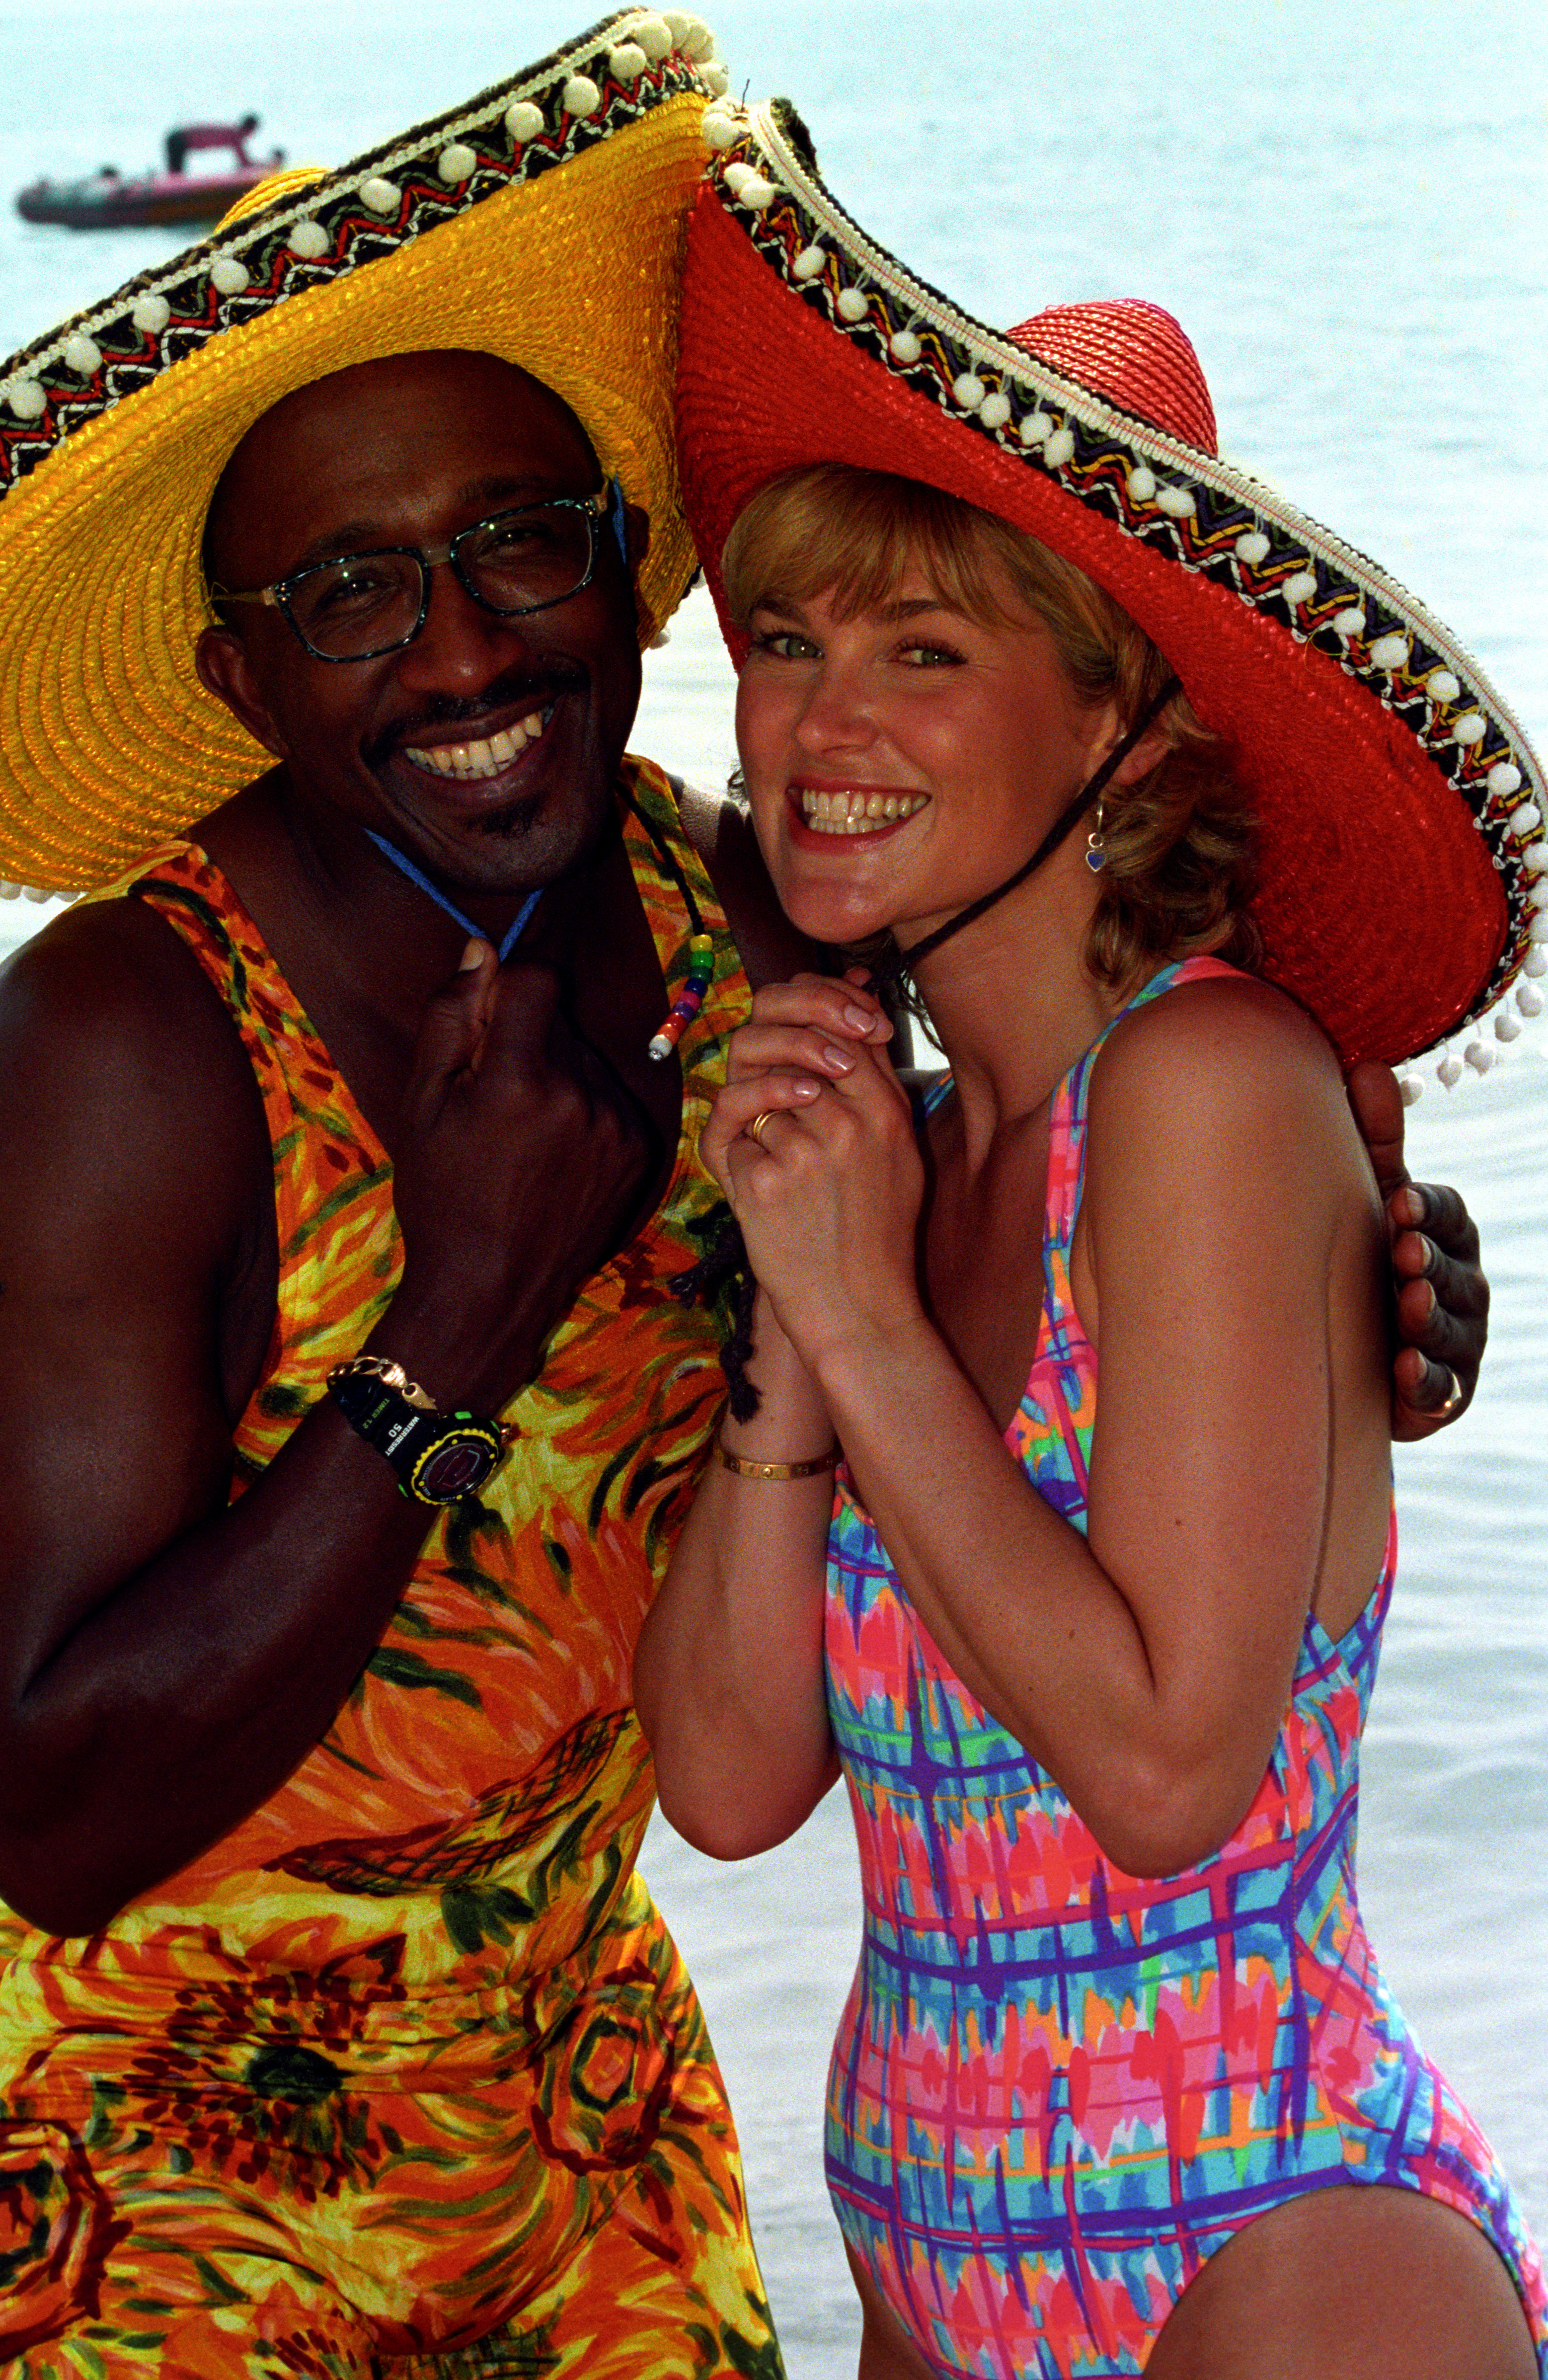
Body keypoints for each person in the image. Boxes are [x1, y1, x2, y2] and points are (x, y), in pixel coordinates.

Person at [0, 32, 1486, 2379]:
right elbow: (60, 1810)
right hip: (182, 2135)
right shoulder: (113, 1053)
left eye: (516, 544)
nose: (467, 644)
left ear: (613, 565)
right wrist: (457, 1324)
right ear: (238, 669)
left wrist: (1347, 1307)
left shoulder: (736, 944)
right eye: (354, 589)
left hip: (599, 2089)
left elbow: (1063, 1269)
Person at [636, 97, 1547, 2380]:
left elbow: (1158, 1776)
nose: (809, 720)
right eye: (780, 637)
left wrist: (856, 1310)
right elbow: (730, 1781)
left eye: (918, 651)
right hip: (921, 2251)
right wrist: (797, 1293)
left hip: (1266, 2247)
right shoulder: (914, 1146)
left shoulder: (1206, 1088)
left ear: (1124, 726)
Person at [164, 113, 266, 178]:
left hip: (179, 139)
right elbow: (245, 163)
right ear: (250, 129)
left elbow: (244, 162)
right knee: (176, 175)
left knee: (176, 173)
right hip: (179, 139)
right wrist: (264, 167)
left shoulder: (231, 132)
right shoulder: (235, 135)